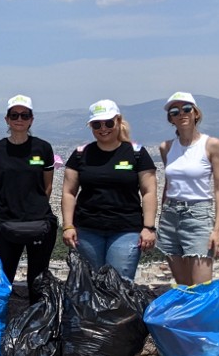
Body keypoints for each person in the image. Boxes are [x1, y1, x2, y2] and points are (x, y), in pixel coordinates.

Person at [61, 99, 157, 280]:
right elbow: (68, 192)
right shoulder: (80, 154)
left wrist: (149, 227)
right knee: (89, 284)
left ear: (118, 121)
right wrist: (68, 225)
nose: (103, 128)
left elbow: (149, 191)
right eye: (97, 124)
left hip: (126, 229)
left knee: (120, 284)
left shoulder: (136, 153)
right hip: (87, 229)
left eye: (109, 122)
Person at [0, 95, 57, 286]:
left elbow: (47, 186)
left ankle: (38, 315)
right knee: (3, 279)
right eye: (14, 115)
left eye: (25, 115)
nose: (19, 120)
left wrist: (34, 206)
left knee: (38, 281)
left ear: (32, 119)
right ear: (7, 119)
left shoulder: (43, 148)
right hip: (7, 223)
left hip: (39, 222)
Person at [157, 91, 219, 286]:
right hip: (170, 215)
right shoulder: (166, 147)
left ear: (196, 113)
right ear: (170, 118)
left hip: (198, 214)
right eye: (175, 111)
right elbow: (168, 184)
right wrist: (162, 216)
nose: (181, 114)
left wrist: (217, 230)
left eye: (186, 109)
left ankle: (202, 318)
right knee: (183, 286)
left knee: (201, 287)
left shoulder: (212, 145)